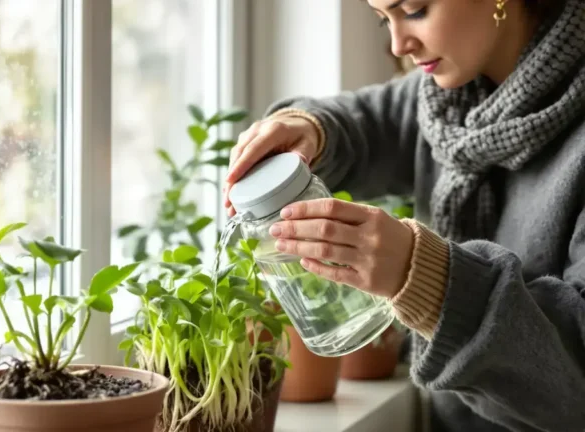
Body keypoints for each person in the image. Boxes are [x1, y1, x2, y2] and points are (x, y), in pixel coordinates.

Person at [224, 0, 585, 431]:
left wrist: (427, 277)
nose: (398, 45)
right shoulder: (449, 96)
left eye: (414, 10)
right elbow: (367, 123)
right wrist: (310, 128)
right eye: (383, 19)